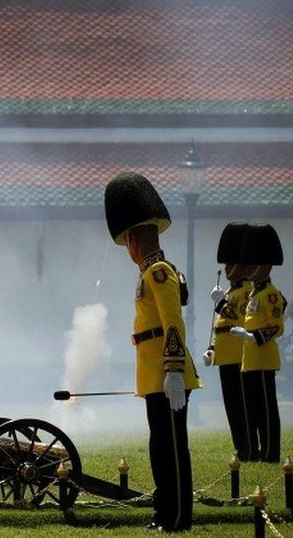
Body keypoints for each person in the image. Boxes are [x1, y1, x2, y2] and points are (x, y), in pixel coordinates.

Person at [104, 173, 201, 532]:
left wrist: (174, 370)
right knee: (160, 448)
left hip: (167, 374)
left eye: (127, 243)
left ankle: (177, 517)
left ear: (133, 239)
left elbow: (173, 322)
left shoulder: (159, 272)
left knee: (172, 449)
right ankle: (165, 513)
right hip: (155, 374)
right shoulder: (151, 272)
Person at [231, 224, 286, 463]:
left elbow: (277, 326)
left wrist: (253, 337)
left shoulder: (270, 294)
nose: (249, 269)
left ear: (263, 266)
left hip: (263, 359)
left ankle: (270, 453)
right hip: (249, 360)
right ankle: (255, 452)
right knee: (252, 410)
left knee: (266, 409)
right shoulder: (254, 294)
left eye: (253, 265)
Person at [203, 223, 254, 460]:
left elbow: (239, 318)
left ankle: (248, 448)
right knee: (231, 406)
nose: (226, 268)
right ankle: (241, 447)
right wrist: (212, 349)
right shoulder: (232, 291)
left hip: (239, 356)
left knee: (242, 407)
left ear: (241, 266)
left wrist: (221, 302)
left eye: (229, 264)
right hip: (226, 356)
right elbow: (221, 326)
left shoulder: (246, 291)